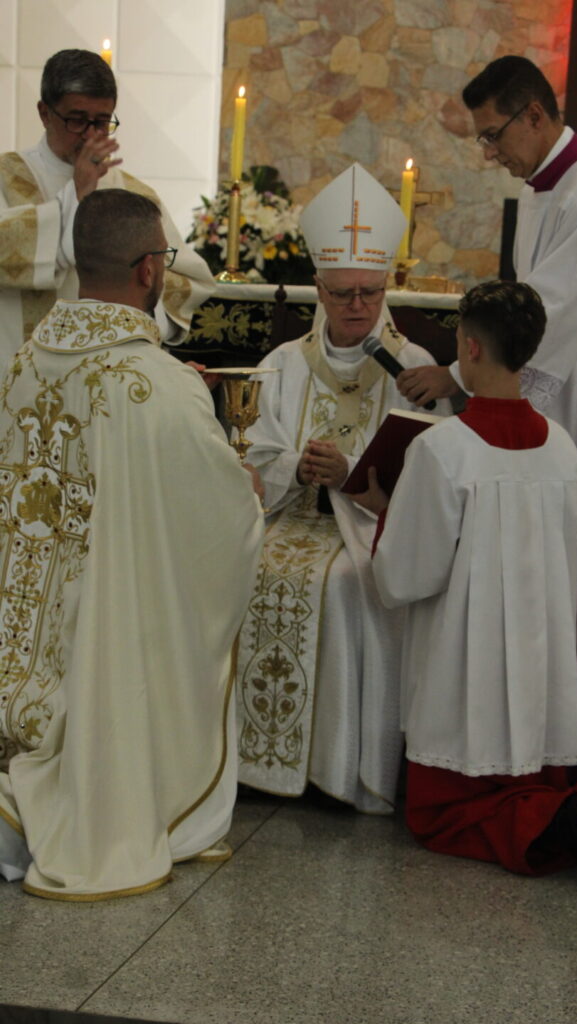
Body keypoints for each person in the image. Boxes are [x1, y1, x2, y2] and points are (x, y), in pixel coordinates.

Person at [397, 56, 577, 783]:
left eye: (494, 136)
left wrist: (458, 375)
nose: (490, 155)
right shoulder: (550, 193)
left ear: (534, 114)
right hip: (575, 419)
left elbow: (543, 329)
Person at [357, 280, 577, 902]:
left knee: (441, 818)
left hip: (465, 678)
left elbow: (405, 576)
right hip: (538, 680)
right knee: (528, 784)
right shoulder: (563, 448)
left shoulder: (443, 449)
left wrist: (384, 510)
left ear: (470, 347)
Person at [0, 188, 264, 900]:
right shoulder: (154, 384)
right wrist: (244, 493)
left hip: (25, 627)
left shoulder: (23, 364)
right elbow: (217, 525)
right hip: (99, 637)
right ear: (150, 269)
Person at [234, 163, 450, 813]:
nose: (357, 306)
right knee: (244, 566)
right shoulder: (279, 365)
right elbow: (253, 453)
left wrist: (353, 474)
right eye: (342, 293)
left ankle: (338, 767)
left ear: (385, 289)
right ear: (319, 291)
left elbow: (437, 470)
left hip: (368, 531)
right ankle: (251, 764)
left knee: (339, 583)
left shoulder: (414, 370)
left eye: (369, 292)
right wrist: (297, 468)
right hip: (289, 517)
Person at [0, 48, 216, 374]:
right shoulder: (7, 178)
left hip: (110, 381)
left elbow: (187, 281)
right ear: (45, 113)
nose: (91, 134)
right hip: (22, 380)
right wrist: (78, 192)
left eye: (102, 121)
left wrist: (139, 314)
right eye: (77, 120)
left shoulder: (133, 194)